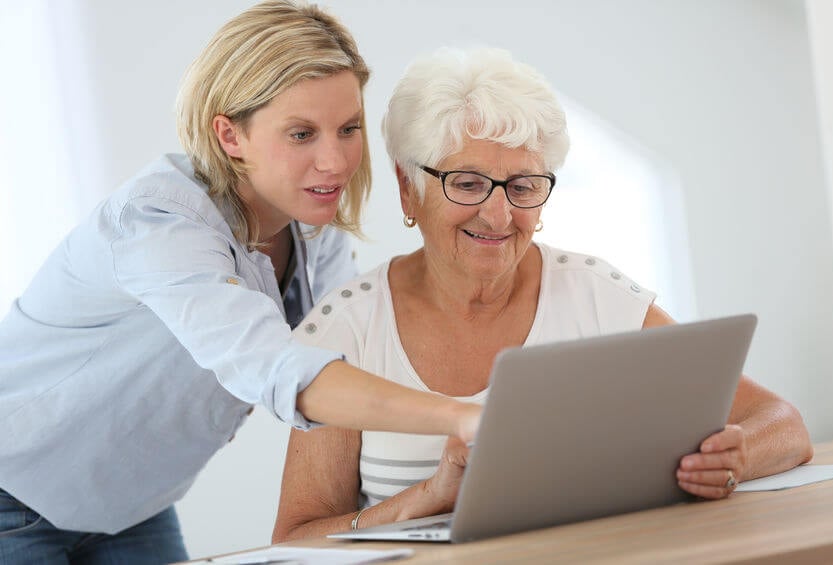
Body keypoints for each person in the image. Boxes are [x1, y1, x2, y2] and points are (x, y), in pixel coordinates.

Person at [271, 47, 814, 542]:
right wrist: (425, 501)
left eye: (524, 186)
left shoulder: (596, 297)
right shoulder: (346, 328)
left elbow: (782, 423)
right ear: (408, 186)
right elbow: (294, 539)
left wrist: (736, 455)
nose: (499, 214)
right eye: (467, 183)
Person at [0, 3, 480, 563]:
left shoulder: (309, 226)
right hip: (15, 491)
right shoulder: (157, 221)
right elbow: (280, 370)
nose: (334, 161)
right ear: (230, 135)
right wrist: (460, 416)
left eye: (348, 129)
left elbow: (349, 357)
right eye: (301, 133)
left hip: (128, 505)